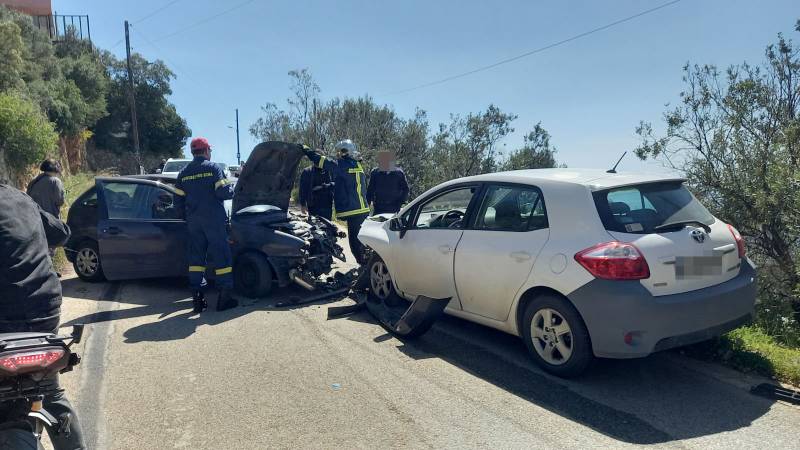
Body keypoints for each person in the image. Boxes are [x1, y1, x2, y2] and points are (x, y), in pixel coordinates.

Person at [0, 183, 86, 450]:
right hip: (43, 308)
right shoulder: (18, 197)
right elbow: (62, 233)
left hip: (5, 317)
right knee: (48, 388)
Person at [174, 137, 237, 312]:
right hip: (214, 221)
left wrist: (185, 218)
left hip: (194, 223)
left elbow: (177, 201)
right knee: (222, 258)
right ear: (207, 150)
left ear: (193, 152)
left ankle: (197, 300)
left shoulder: (184, 172)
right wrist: (231, 187)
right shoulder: (213, 168)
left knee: (196, 261)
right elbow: (223, 192)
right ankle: (224, 299)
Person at [300, 140, 371, 264]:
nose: (337, 155)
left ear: (343, 152)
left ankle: (365, 270)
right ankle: (367, 267)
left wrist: (306, 149)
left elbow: (321, 161)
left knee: (355, 245)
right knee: (361, 243)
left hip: (354, 210)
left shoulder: (341, 165)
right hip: (362, 210)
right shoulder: (356, 164)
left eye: (339, 152)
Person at [27, 159, 66, 276]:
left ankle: (41, 271)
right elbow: (59, 201)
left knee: (39, 247)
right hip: (50, 220)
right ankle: (49, 272)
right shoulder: (55, 181)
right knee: (50, 246)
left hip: (34, 219)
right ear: (56, 168)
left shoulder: (34, 181)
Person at [366, 150, 409, 215]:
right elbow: (370, 190)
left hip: (395, 207)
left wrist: (401, 202)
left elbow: (405, 189)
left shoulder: (399, 173)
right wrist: (368, 205)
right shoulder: (375, 173)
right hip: (379, 208)